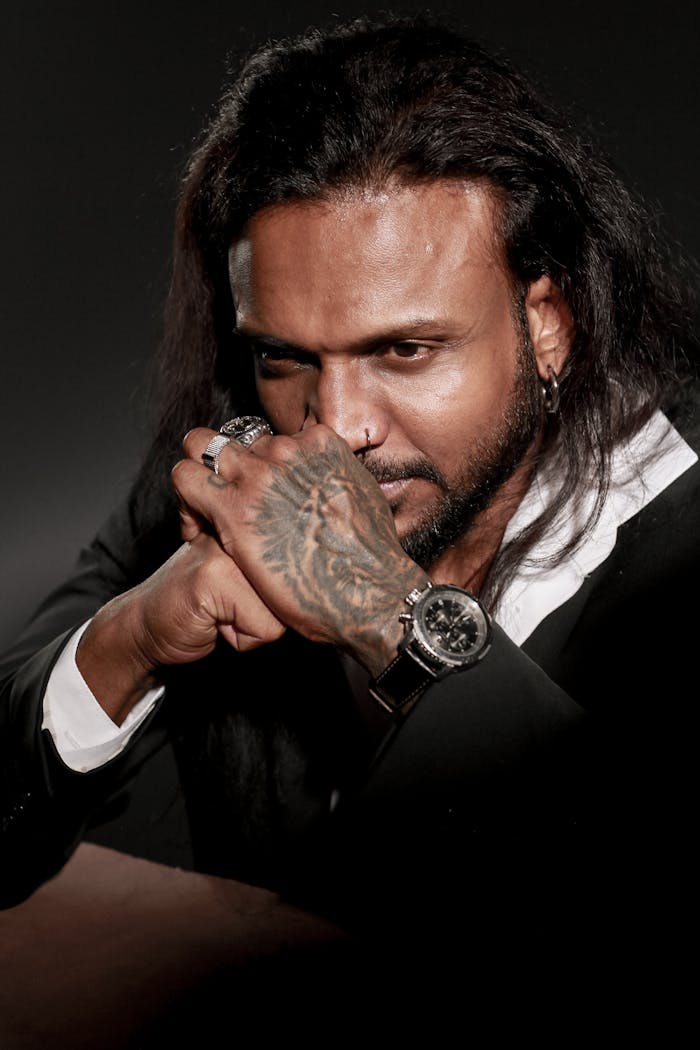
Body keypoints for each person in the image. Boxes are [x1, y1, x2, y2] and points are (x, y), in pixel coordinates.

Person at [1, 14, 698, 993]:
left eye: (404, 351)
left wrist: (390, 616)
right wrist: (132, 639)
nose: (335, 425)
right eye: (284, 356)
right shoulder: (238, 465)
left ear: (545, 326)